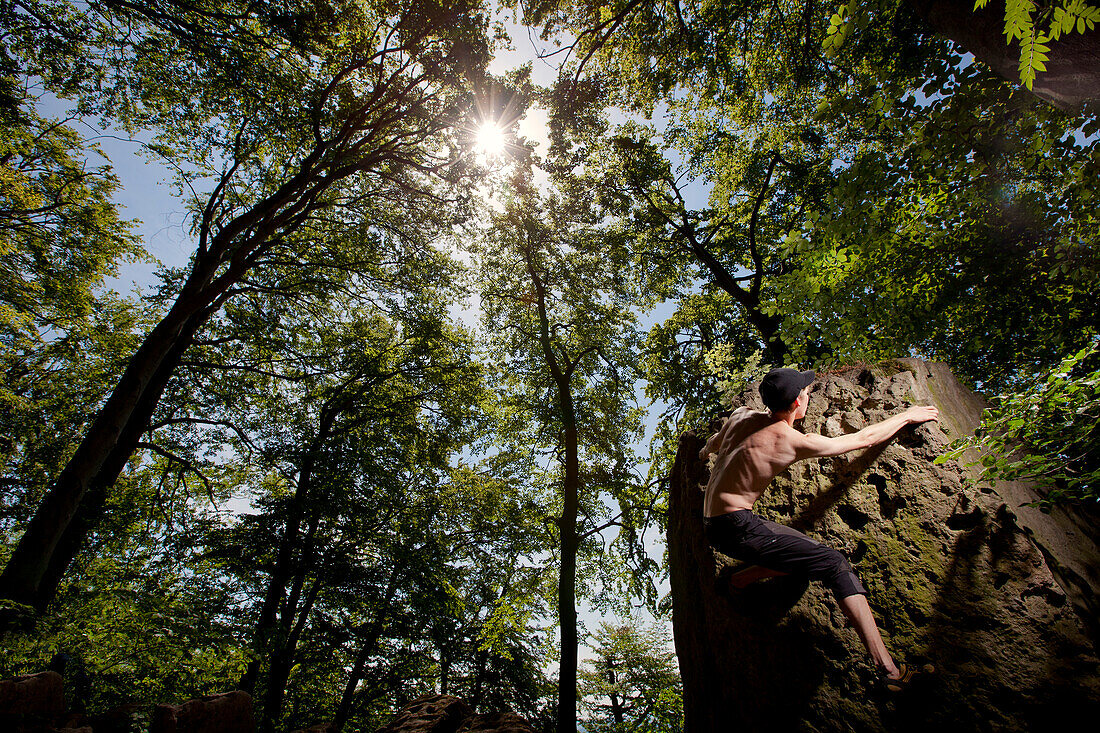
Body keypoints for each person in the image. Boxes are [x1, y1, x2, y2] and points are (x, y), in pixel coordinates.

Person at [699, 367, 938, 691]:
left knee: (802, 558)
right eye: (807, 393)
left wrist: (705, 451)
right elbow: (862, 439)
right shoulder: (791, 440)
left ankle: (738, 580)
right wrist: (907, 417)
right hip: (738, 527)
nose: (809, 397)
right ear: (798, 402)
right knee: (833, 563)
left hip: (713, 523)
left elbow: (714, 442)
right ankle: (889, 672)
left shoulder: (741, 416)